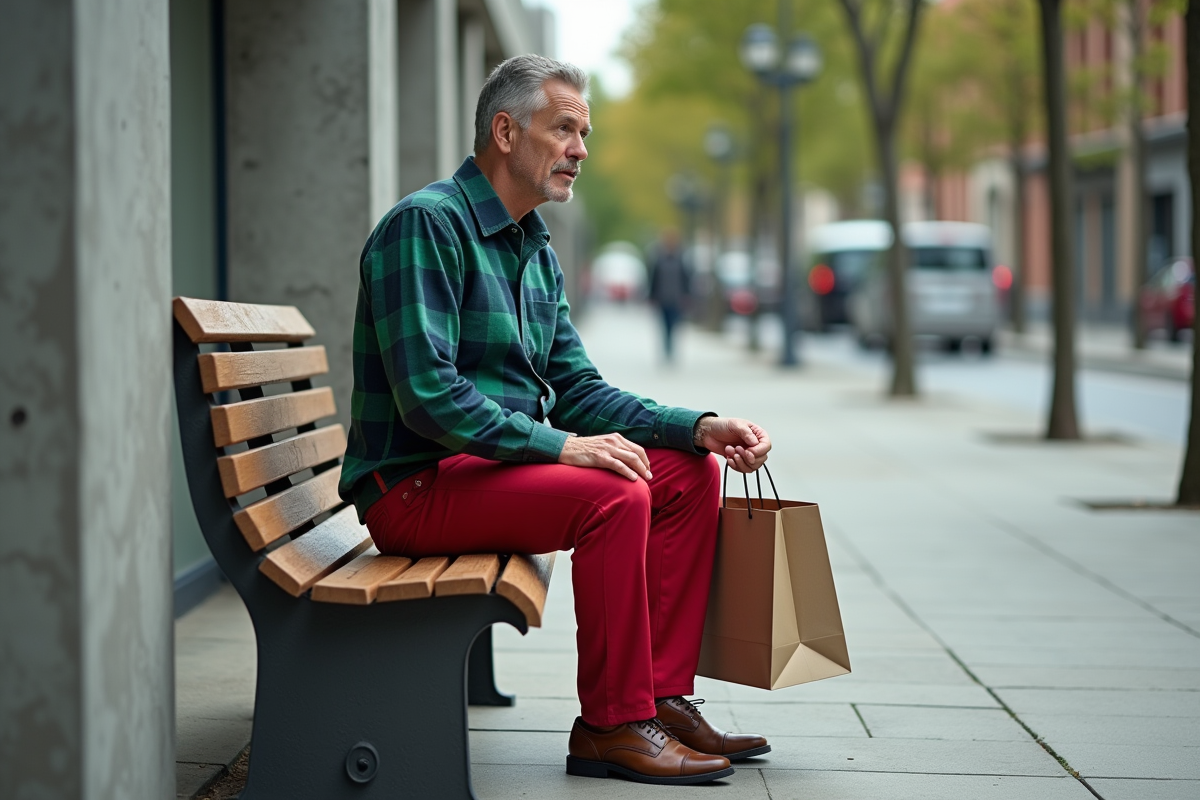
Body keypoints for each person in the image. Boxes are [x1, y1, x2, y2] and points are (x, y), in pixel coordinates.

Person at [339, 54, 773, 786]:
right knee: (612, 493)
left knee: (683, 473)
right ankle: (609, 724)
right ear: (506, 132)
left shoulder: (534, 247)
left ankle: (659, 700)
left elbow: (575, 386)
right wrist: (561, 448)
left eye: (585, 132)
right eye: (564, 128)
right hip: (412, 486)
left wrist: (695, 425)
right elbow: (429, 397)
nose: (580, 148)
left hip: (485, 472)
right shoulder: (425, 227)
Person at [647, 228, 692, 361]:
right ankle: (666, 349)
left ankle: (671, 349)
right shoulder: (658, 260)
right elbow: (653, 279)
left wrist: (687, 295)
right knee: (664, 325)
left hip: (676, 299)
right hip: (662, 299)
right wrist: (651, 296)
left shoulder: (681, 260)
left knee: (674, 325)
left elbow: (686, 279)